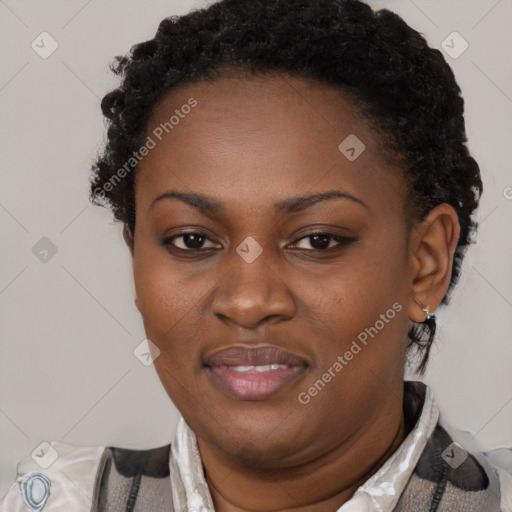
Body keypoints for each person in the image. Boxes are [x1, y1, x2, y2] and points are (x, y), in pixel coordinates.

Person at [2, 0, 511, 510]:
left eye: (318, 240)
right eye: (192, 241)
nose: (248, 302)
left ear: (425, 265)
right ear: (136, 261)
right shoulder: (55, 499)